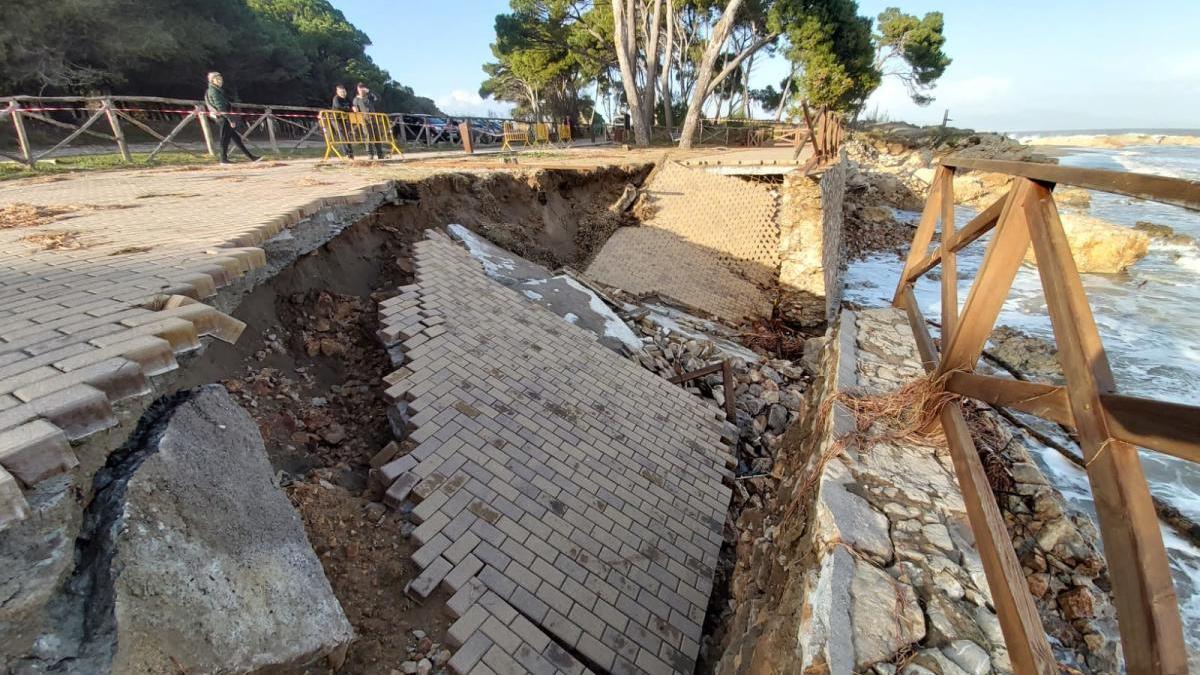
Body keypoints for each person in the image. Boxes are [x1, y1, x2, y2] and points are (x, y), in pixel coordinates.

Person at [204, 72, 258, 164]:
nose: (220, 81)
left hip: (223, 116)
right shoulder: (214, 91)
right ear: (212, 80)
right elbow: (221, 107)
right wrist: (230, 119)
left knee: (236, 138)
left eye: (221, 79)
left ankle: (251, 157)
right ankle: (223, 159)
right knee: (224, 139)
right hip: (222, 117)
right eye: (218, 79)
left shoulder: (216, 90)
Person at [351, 82, 385, 160]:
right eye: (360, 90)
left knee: (377, 136)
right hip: (364, 120)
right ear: (357, 90)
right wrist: (354, 109)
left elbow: (378, 98)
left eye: (363, 90)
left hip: (374, 119)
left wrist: (369, 91)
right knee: (368, 137)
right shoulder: (356, 99)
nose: (361, 91)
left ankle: (380, 154)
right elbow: (355, 108)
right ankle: (370, 154)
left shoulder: (370, 97)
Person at [330, 84, 355, 159]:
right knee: (342, 134)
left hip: (344, 120)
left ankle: (351, 153)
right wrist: (350, 110)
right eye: (341, 92)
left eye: (344, 92)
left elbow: (352, 106)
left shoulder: (347, 99)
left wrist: (353, 108)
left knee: (347, 135)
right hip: (335, 119)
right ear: (337, 92)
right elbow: (339, 107)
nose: (343, 93)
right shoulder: (336, 98)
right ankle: (346, 153)